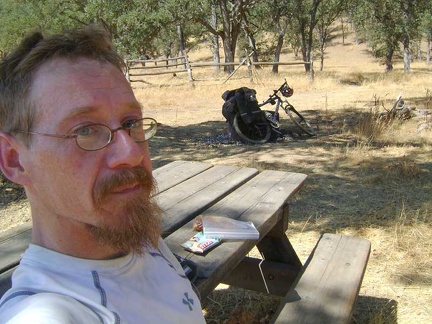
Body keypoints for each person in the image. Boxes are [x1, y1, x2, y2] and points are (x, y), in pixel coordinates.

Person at [0, 26, 205, 323]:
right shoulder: (44, 312)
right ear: (14, 160)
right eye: (85, 130)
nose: (132, 153)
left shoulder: (143, 238)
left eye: (131, 121)